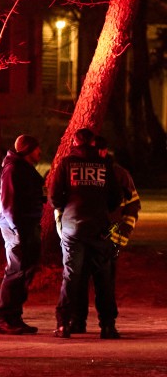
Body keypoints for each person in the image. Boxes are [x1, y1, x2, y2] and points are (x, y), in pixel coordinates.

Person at [50, 128, 121, 339]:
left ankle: (64, 325)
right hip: (99, 228)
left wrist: (69, 208)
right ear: (92, 144)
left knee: (71, 276)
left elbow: (55, 197)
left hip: (73, 228)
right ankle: (108, 326)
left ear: (74, 143)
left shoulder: (67, 164)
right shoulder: (105, 165)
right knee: (103, 278)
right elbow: (115, 198)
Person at [67, 135, 140, 337]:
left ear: (103, 151)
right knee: (84, 280)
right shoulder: (95, 171)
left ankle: (106, 324)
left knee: (102, 282)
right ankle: (81, 321)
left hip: (107, 236)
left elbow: (132, 206)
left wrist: (121, 237)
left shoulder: (118, 174)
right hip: (90, 234)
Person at [0, 134, 46, 335]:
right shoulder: (14, 170)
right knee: (16, 272)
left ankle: (14, 317)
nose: (39, 152)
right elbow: (8, 203)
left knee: (22, 272)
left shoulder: (23, 169)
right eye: (36, 148)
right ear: (27, 150)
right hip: (18, 228)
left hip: (25, 226)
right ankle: (4, 318)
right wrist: (19, 229)